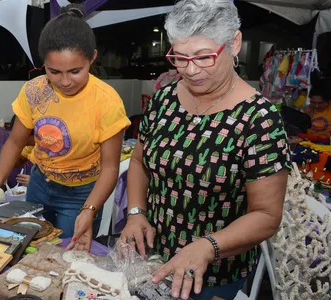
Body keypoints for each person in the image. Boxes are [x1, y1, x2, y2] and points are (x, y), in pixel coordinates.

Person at [119, 1, 291, 299]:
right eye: (180, 58)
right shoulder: (164, 100)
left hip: (213, 275)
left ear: (234, 43)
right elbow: (139, 163)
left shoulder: (259, 119)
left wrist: (207, 246)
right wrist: (136, 213)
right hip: (152, 257)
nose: (191, 70)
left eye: (204, 57)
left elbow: (266, 215)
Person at [0, 4, 130, 251]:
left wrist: (89, 210)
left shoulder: (107, 102)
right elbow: (15, 141)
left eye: (75, 71)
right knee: (27, 248)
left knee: (65, 257)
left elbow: (110, 167)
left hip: (81, 195)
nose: (65, 81)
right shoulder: (34, 90)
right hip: (39, 183)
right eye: (54, 71)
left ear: (93, 58)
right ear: (43, 63)